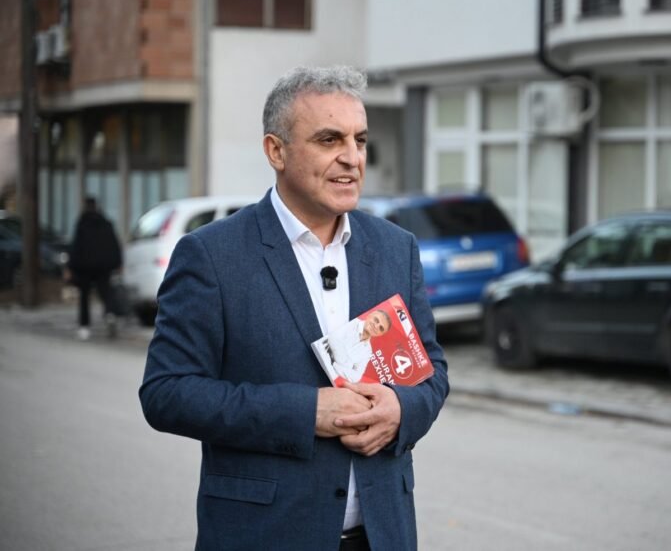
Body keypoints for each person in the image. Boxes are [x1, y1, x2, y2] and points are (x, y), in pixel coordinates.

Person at [139, 65, 449, 551]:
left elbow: (432, 373)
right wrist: (306, 412)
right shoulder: (212, 255)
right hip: (265, 536)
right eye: (329, 140)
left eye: (360, 140)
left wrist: (400, 409)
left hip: (382, 535)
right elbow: (167, 393)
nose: (352, 158)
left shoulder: (396, 248)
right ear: (276, 151)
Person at [67, 196, 122, 340]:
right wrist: (117, 263)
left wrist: (71, 266)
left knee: (84, 297)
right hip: (103, 266)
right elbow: (114, 244)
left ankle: (84, 327)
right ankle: (110, 314)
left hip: (85, 267)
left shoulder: (82, 224)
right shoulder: (106, 223)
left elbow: (76, 247)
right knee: (106, 292)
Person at [327, 309, 392, 384]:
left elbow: (356, 377)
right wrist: (348, 365)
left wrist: (334, 364)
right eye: (376, 320)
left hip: (331, 379)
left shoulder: (368, 351)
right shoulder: (352, 322)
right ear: (369, 315)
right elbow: (332, 338)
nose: (376, 326)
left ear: (380, 334)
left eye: (381, 328)